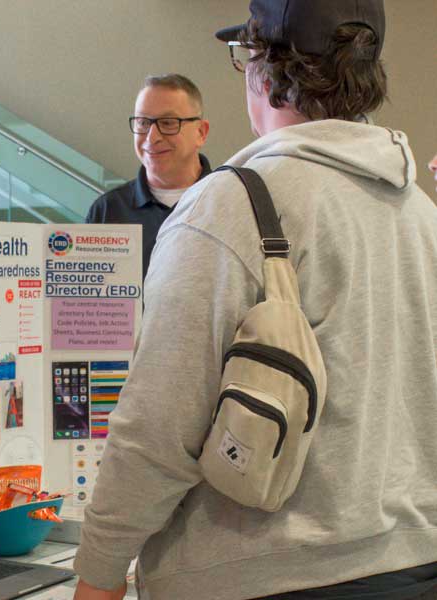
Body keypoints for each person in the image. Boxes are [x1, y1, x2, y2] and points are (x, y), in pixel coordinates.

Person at [73, 1, 437, 599]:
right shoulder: (418, 212)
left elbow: (159, 428)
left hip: (265, 575)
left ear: (263, 69)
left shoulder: (234, 206)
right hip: (413, 563)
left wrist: (101, 572)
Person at [85, 74, 211, 280]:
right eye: (143, 123)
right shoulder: (107, 212)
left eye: (169, 123)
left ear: (201, 132)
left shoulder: (227, 204)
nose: (152, 137)